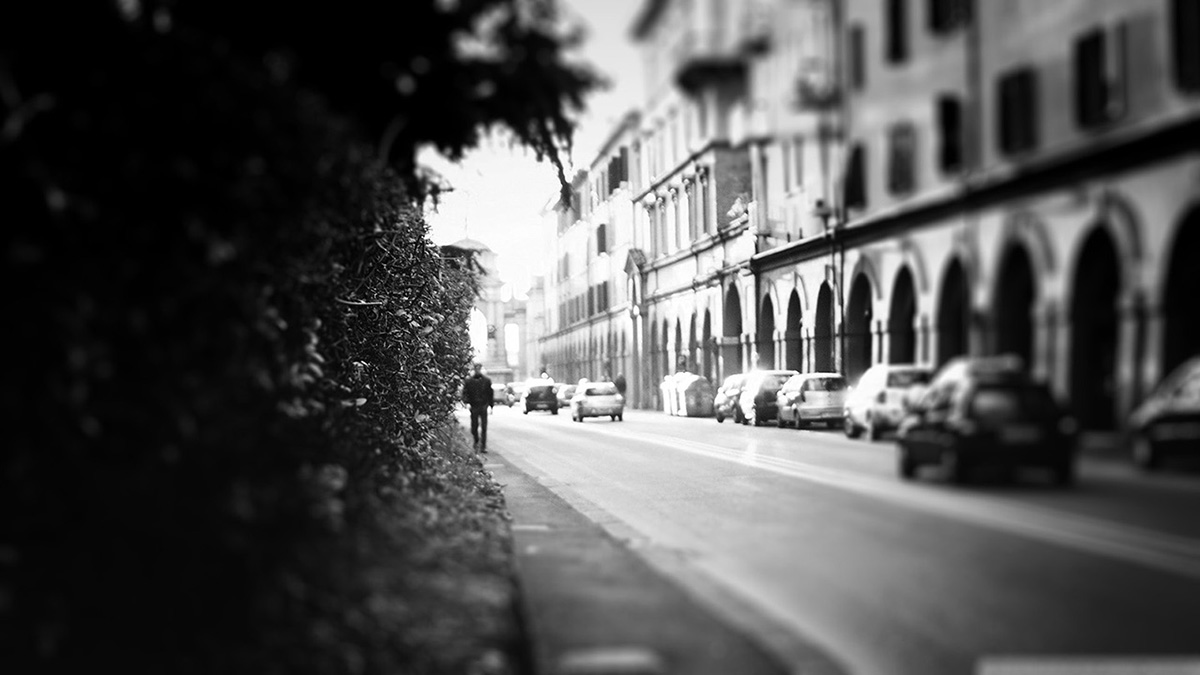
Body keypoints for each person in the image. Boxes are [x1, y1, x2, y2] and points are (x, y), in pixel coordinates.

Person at [462, 363, 493, 452]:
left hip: (483, 405)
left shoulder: (487, 381)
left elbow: (490, 394)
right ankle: (476, 441)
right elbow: (465, 393)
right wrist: (467, 402)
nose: (478, 370)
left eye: (479, 368)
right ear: (474, 369)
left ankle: (483, 446)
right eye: (476, 368)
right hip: (474, 405)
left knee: (484, 427)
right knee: (474, 426)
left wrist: (491, 406)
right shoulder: (469, 381)